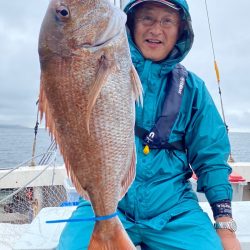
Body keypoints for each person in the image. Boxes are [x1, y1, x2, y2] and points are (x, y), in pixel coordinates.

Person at [58, 0, 241, 249]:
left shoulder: (193, 89)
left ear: (181, 30)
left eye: (167, 21)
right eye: (147, 19)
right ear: (130, 25)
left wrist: (224, 224)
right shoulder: (103, 69)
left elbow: (211, 158)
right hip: (103, 203)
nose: (156, 30)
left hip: (174, 211)